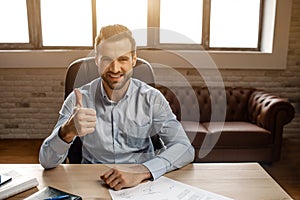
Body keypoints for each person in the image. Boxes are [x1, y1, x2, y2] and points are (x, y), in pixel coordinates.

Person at [39, 24, 194, 190]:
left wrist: (142, 171)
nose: (115, 69)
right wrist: (67, 132)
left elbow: (185, 148)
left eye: (123, 59)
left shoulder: (152, 98)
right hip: (93, 183)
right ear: (97, 60)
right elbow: (47, 161)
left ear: (134, 60)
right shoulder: (78, 100)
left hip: (142, 184)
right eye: (107, 59)